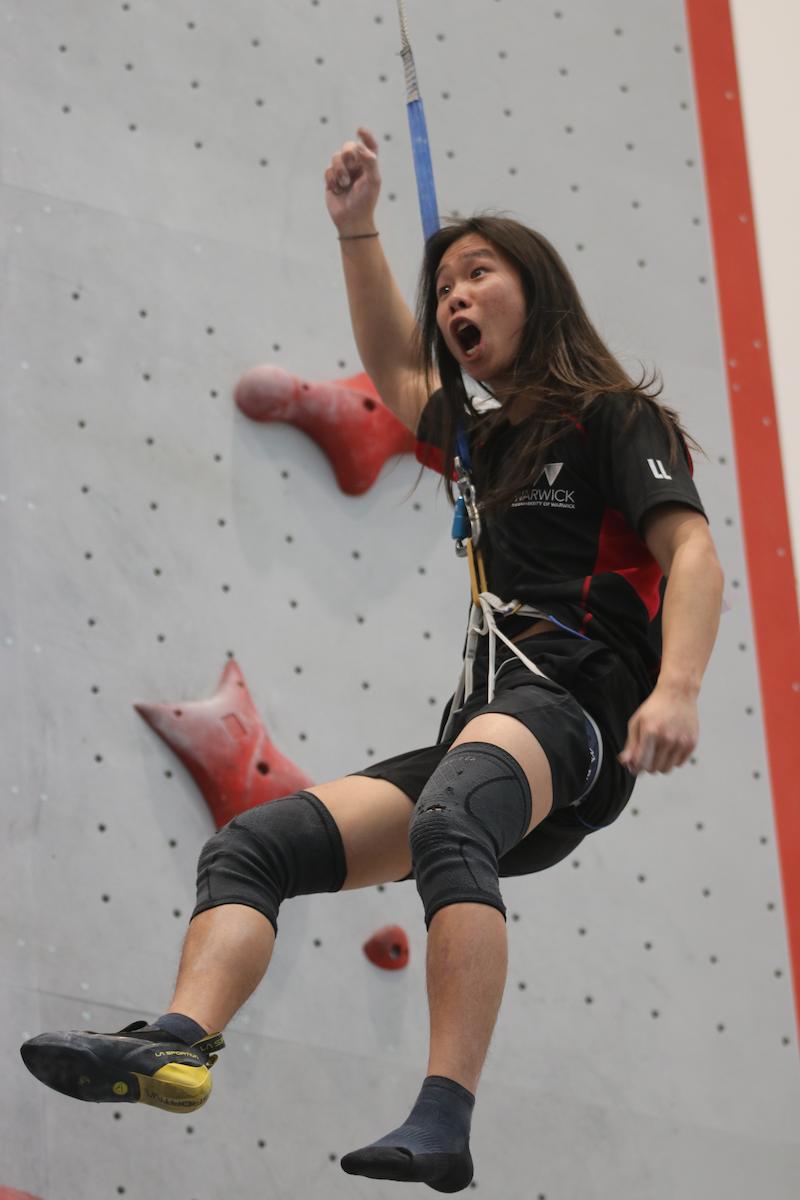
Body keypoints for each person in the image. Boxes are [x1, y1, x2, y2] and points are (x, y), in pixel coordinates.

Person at [20, 126, 724, 1194]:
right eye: (442, 286)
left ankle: (444, 1120)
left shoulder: (612, 417)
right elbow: (398, 379)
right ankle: (180, 1039)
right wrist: (356, 228)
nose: (452, 298)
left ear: (537, 292)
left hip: (573, 710)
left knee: (447, 818)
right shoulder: (486, 444)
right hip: (484, 735)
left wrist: (674, 691)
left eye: (476, 275)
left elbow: (691, 548)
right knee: (254, 848)